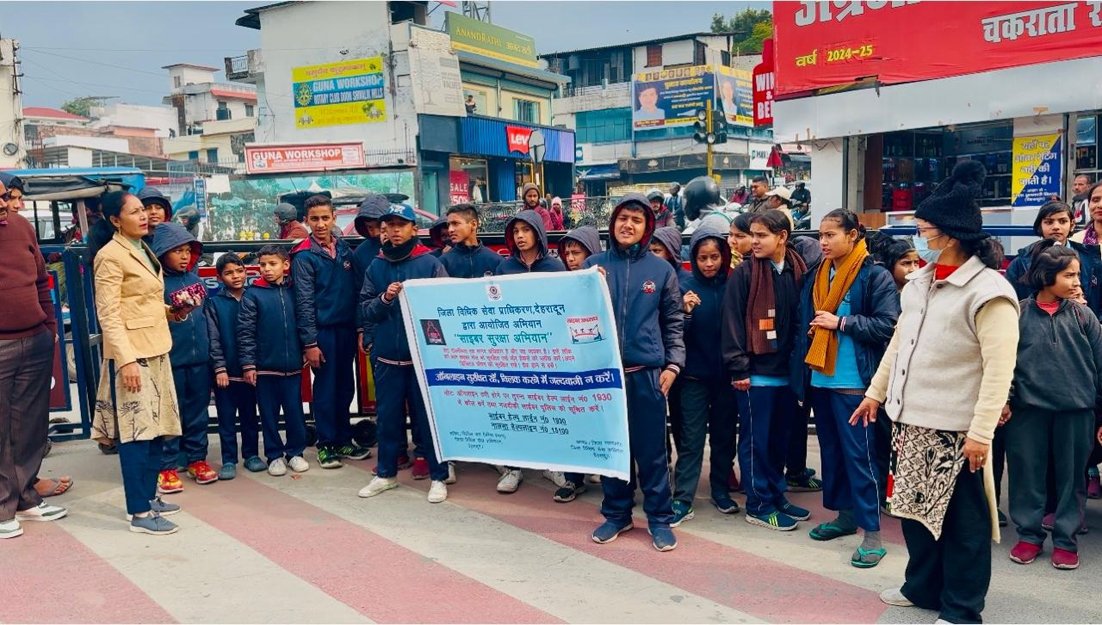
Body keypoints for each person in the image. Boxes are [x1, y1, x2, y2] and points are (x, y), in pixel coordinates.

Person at [854, 161, 1018, 624]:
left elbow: (999, 370)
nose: (919, 233)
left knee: (964, 525)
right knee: (913, 513)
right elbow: (899, 343)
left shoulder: (989, 292)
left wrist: (981, 433)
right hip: (910, 422)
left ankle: (962, 609)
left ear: (950, 234)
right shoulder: (920, 282)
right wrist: (875, 393)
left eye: (926, 226)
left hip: (957, 430)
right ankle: (922, 587)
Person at [795, 209, 900, 568]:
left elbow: (888, 325)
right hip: (821, 378)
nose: (823, 242)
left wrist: (840, 322)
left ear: (853, 235)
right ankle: (845, 516)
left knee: (861, 458)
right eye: (821, 235)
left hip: (855, 383)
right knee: (832, 453)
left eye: (831, 235)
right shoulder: (819, 273)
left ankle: (872, 534)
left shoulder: (874, 275)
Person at [585, 193, 685, 552]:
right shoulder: (593, 266)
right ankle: (617, 514)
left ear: (647, 227)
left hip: (647, 374)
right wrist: (587, 285)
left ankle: (659, 519)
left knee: (652, 451)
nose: (628, 225)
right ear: (613, 223)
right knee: (612, 449)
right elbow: (572, 316)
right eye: (622, 218)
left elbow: (674, 322)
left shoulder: (661, 271)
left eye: (636, 220)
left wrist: (673, 365)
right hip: (604, 375)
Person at [89, 191, 186, 535]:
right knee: (136, 434)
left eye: (143, 210)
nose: (144, 216)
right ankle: (139, 513)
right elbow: (109, 313)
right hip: (133, 355)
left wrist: (173, 311)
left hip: (156, 348)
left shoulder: (142, 247)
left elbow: (142, 302)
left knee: (157, 428)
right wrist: (126, 360)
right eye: (135, 212)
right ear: (116, 220)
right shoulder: (110, 256)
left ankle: (149, 496)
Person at [1004, 242, 1102, 570]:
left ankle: (1065, 540)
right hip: (1027, 411)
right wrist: (1006, 400)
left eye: (1078, 275)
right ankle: (1029, 536)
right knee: (1026, 475)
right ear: (1046, 276)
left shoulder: (1084, 316)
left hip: (1077, 411)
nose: (1077, 282)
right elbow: (1004, 363)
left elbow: (1101, 366)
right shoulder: (1017, 314)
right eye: (1069, 275)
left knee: (1072, 479)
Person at [720, 209, 810, 531]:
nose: (754, 242)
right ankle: (759, 504)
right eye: (752, 235)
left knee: (779, 440)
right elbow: (732, 323)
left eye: (761, 235)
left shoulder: (797, 270)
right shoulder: (744, 274)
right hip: (754, 375)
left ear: (782, 237)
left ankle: (776, 494)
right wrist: (739, 369)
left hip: (787, 373)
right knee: (756, 442)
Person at [358, 204, 450, 504]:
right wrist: (385, 298)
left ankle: (439, 476)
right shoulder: (376, 265)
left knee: (428, 420)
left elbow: (445, 309)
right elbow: (365, 310)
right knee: (387, 419)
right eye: (390, 225)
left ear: (414, 228)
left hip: (422, 360)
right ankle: (386, 474)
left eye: (402, 224)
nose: (395, 230)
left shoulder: (430, 263)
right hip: (387, 358)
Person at [0, 177, 68, 540]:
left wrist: (49, 327)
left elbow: (42, 280)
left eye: (4, 196)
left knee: (29, 426)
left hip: (34, 338)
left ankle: (26, 498)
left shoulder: (21, 226)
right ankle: (2, 507)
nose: (5, 204)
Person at [292, 195, 371, 469]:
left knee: (345, 387)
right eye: (314, 219)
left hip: (346, 329)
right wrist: (310, 342)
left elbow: (358, 292)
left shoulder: (345, 250)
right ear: (306, 221)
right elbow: (303, 302)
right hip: (322, 333)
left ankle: (344, 439)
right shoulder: (304, 255)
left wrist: (360, 328)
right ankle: (326, 444)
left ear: (334, 217)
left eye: (325, 218)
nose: (321, 224)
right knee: (325, 388)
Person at [672, 226, 739, 524]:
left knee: (725, 437)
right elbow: (675, 334)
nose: (709, 263)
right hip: (693, 379)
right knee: (691, 439)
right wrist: (685, 311)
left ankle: (720, 490)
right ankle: (683, 498)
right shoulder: (683, 285)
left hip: (727, 378)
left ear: (723, 256)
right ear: (694, 259)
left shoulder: (733, 284)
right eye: (702, 258)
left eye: (714, 257)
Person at [151, 222, 217, 491]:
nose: (184, 256)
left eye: (188, 251)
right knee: (170, 414)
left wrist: (211, 352)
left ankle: (197, 459)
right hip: (171, 361)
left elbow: (207, 318)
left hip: (200, 360)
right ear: (162, 253)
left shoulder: (196, 281)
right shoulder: (156, 285)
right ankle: (166, 466)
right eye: (177, 251)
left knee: (198, 412)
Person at [239, 245, 310, 477]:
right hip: (264, 369)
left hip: (293, 368)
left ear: (286, 265)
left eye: (273, 264)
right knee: (268, 415)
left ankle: (296, 452)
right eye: (263, 265)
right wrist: (249, 364)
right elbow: (246, 332)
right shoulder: (253, 294)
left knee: (295, 413)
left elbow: (305, 320)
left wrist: (306, 348)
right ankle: (274, 455)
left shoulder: (295, 290)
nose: (267, 269)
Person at [205, 252, 262, 479]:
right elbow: (213, 338)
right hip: (226, 374)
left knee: (250, 415)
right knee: (226, 418)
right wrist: (219, 368)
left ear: (246, 272)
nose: (236, 276)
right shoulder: (214, 304)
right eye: (229, 273)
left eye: (239, 271)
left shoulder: (254, 298)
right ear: (219, 278)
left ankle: (251, 455)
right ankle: (229, 459)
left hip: (251, 372)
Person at [1006, 201, 1101, 314]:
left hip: (1082, 322)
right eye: (1049, 222)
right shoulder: (1021, 263)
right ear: (1040, 226)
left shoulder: (1089, 258)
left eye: (1062, 221)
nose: (1056, 227)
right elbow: (1009, 303)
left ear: (1072, 225)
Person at [441, 204, 502, 279]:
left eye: (455, 223)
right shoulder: (443, 263)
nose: (450, 229)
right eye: (448, 225)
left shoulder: (496, 261)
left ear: (473, 224)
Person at [495, 210, 566, 276]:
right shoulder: (504, 268)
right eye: (516, 231)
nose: (519, 235)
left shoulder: (556, 268)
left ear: (537, 233)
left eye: (526, 230)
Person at [351, 194, 387, 281]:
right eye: (370, 227)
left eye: (379, 225)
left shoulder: (406, 246)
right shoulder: (360, 253)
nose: (376, 232)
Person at [1069, 181, 1102, 248]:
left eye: (1080, 184)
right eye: (1095, 200)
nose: (1100, 205)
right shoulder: (1076, 241)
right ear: (1088, 204)